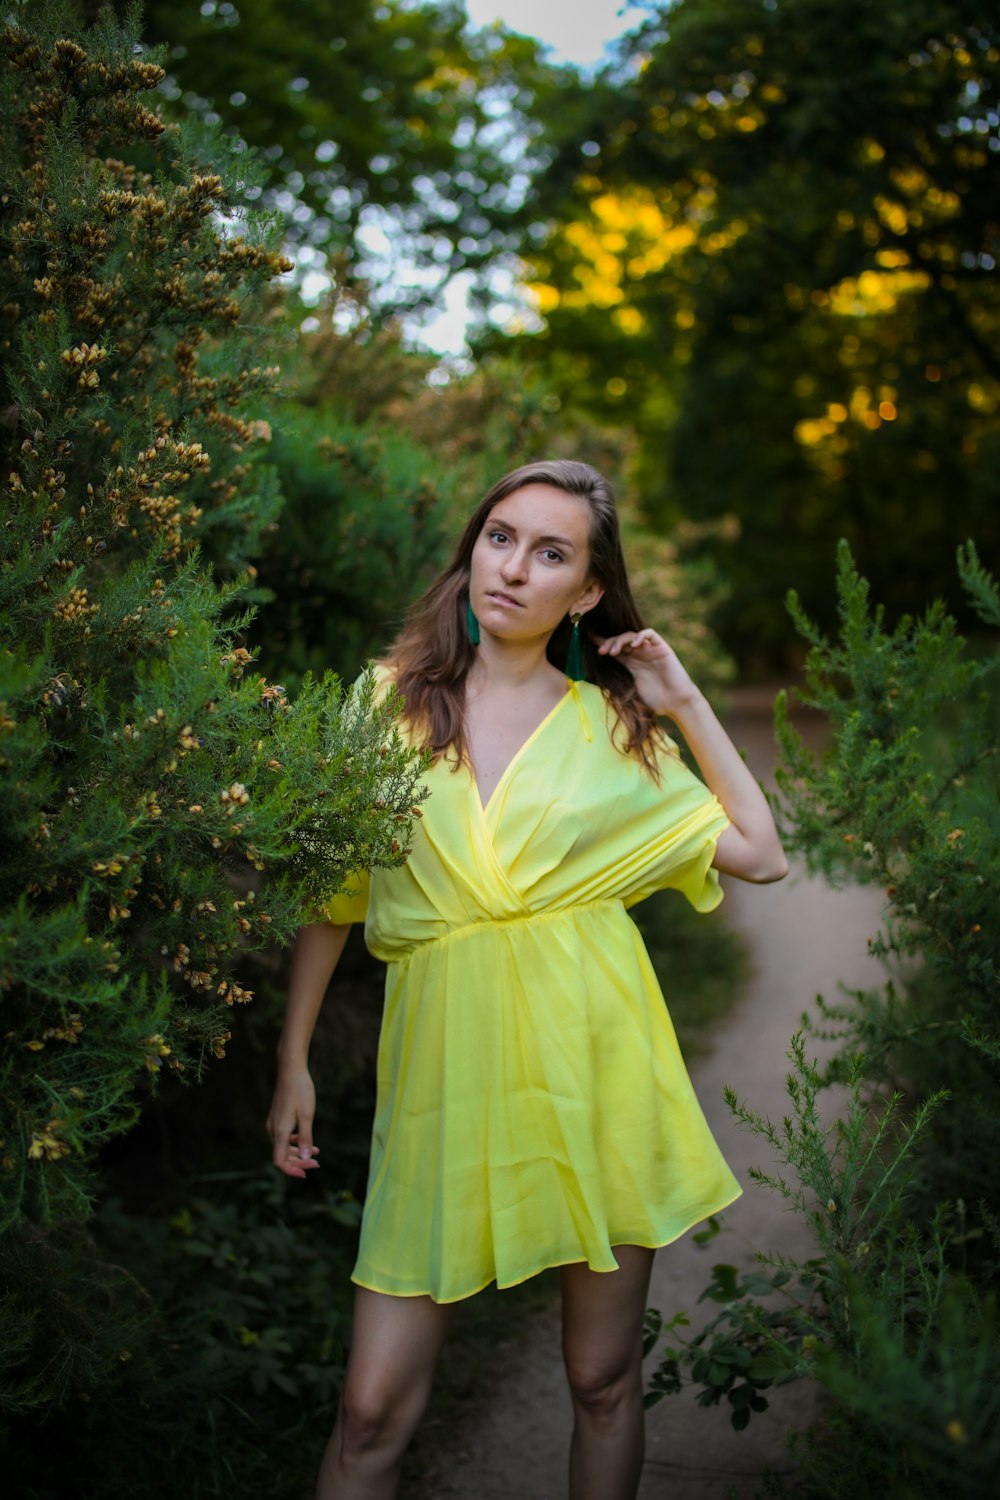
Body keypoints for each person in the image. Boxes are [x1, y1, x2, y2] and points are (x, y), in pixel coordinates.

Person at [267, 459, 787, 1500]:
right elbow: (328, 898)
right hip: (443, 1074)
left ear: (586, 593)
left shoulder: (614, 731)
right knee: (370, 1408)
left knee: (598, 1378)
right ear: (472, 549)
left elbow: (760, 851)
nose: (513, 566)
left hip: (595, 1063)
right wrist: (293, 1064)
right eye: (500, 536)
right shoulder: (383, 705)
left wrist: (680, 697)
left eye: (551, 552)